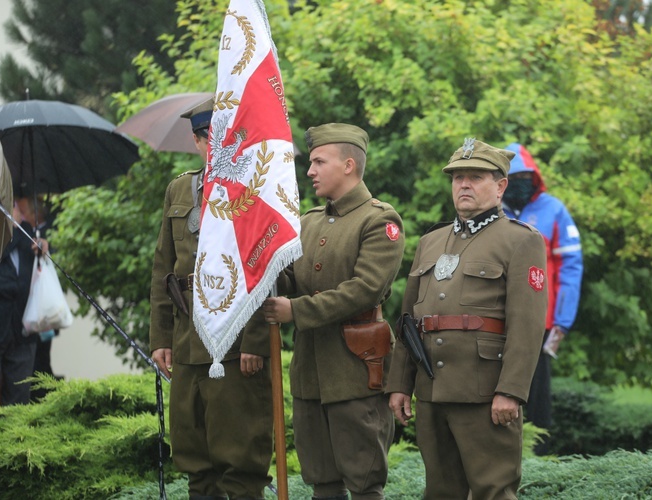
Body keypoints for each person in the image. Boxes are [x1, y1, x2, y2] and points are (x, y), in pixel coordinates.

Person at [387, 138, 548, 499]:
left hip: (485, 393)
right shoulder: (431, 241)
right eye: (457, 177)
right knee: (440, 492)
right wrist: (400, 382)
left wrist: (511, 391)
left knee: (493, 491)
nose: (464, 185)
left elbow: (527, 326)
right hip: (432, 389)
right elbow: (409, 321)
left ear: (500, 185)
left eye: (475, 177)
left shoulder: (520, 241)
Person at [260, 123, 405, 500]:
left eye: (319, 162)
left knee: (364, 482)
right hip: (310, 373)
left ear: (348, 165)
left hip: (355, 369)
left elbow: (363, 290)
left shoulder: (379, 220)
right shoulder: (307, 222)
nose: (309, 171)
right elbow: (288, 276)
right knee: (321, 483)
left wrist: (296, 310)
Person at [148, 97, 274, 499]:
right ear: (197, 141)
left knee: (239, 459)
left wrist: (255, 340)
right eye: (204, 137)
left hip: (235, 345)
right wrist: (161, 339)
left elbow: (266, 269)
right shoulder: (179, 188)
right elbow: (162, 269)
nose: (211, 144)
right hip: (187, 342)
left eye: (219, 136)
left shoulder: (255, 186)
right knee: (194, 458)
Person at [502, 143, 583, 454]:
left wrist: (562, 321)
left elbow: (571, 267)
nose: (519, 182)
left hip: (541, 323)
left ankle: (538, 461)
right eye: (512, 176)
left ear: (534, 177)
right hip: (495, 321)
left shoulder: (554, 210)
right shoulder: (490, 210)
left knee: (535, 398)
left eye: (525, 176)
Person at [0, 203, 48, 414]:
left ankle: (15, 445)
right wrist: (12, 228)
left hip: (23, 323)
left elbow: (34, 270)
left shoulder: (25, 230)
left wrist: (42, 247)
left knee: (19, 397)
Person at [18, 196, 62, 401]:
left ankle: (44, 399)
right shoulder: (23, 233)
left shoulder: (50, 231)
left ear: (35, 215)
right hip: (24, 308)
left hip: (42, 309)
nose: (20, 214)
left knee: (40, 359)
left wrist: (45, 247)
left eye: (23, 210)